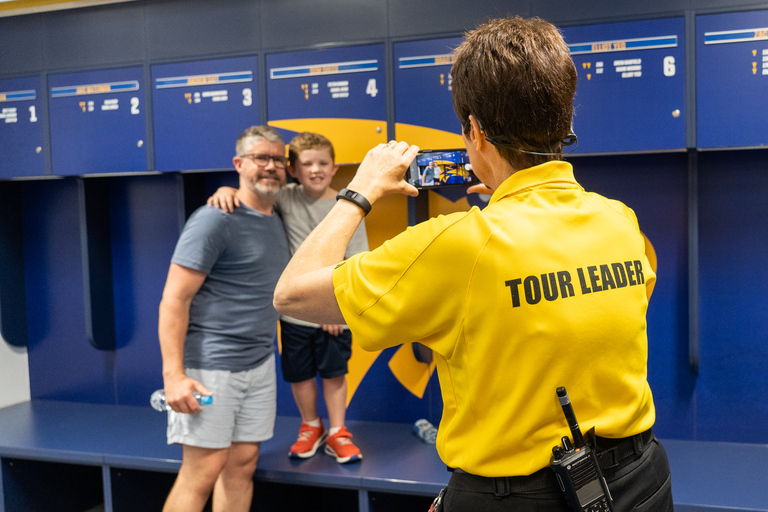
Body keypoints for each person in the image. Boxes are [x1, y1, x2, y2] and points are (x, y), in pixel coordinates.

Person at [272, 16, 673, 512]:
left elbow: (290, 294)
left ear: (476, 131)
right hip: (641, 478)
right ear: (565, 120)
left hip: (520, 497)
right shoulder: (618, 219)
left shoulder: (456, 244)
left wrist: (360, 191)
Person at [207, 131, 366, 464]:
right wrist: (226, 190)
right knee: (300, 373)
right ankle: (311, 426)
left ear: (335, 168)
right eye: (307, 164)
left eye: (323, 163)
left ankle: (338, 431)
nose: (316, 170)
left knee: (335, 372)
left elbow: (356, 262)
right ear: (294, 170)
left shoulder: (348, 206)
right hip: (294, 315)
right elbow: (251, 195)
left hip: (333, 313)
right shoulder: (284, 197)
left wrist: (335, 309)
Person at [158, 125, 290, 512]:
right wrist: (173, 376)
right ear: (239, 164)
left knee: (242, 464)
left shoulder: (278, 213)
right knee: (202, 470)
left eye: (278, 160)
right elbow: (174, 299)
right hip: (210, 367)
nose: (271, 167)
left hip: (260, 363)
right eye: (260, 158)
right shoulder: (214, 219)